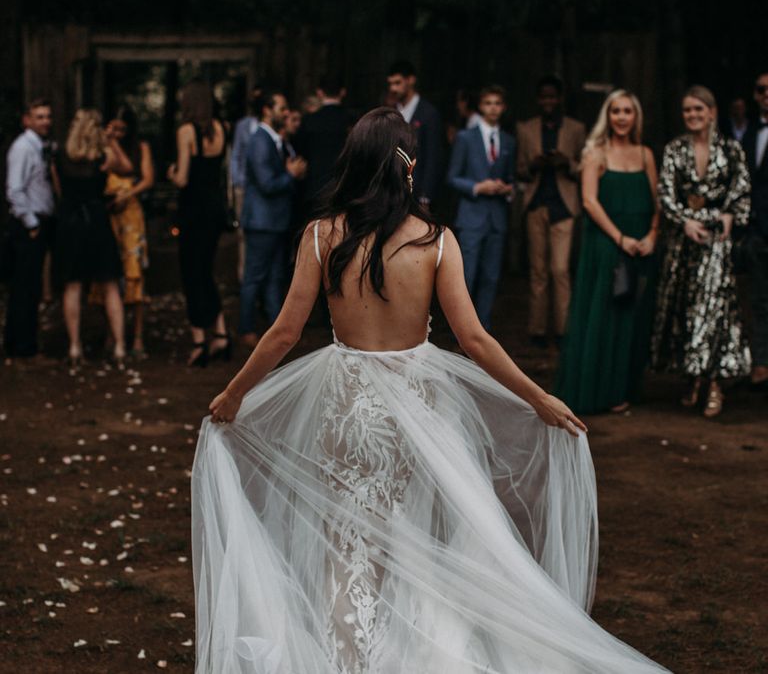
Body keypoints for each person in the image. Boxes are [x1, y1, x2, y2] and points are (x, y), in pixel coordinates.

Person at [192, 107, 669, 674]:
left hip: (347, 407)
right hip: (418, 406)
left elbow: (284, 333)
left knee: (346, 545)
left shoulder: (323, 235)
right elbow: (475, 339)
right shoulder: (435, 241)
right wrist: (538, 397)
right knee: (415, 540)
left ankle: (349, 661)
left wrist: (235, 393)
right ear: (409, 167)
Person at [555, 90, 659, 414]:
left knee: (634, 318)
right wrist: (620, 238)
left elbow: (659, 203)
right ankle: (601, 390)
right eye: (616, 111)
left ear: (636, 116)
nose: (622, 117)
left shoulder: (645, 155)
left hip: (642, 246)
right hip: (606, 244)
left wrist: (653, 235)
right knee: (605, 316)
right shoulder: (595, 154)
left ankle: (625, 387)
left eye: (628, 111)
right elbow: (589, 201)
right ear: (608, 116)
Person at [652, 85, 751, 417]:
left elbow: (741, 191)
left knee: (715, 310)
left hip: (716, 242)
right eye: (687, 110)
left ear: (712, 112)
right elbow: (665, 194)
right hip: (683, 244)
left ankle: (715, 386)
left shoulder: (731, 149)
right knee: (686, 311)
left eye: (698, 109)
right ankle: (693, 377)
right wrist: (683, 222)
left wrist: (727, 215)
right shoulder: (674, 149)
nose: (692, 115)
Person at [54, 109, 133, 369]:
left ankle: (74, 347)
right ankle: (120, 346)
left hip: (70, 223)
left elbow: (58, 191)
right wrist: (110, 140)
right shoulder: (104, 156)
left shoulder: (59, 156)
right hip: (97, 222)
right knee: (110, 285)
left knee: (73, 286)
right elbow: (128, 168)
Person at [517, 76, 587, 348]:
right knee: (538, 271)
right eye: (543, 97)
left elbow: (584, 167)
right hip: (536, 204)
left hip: (564, 206)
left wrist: (566, 162)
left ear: (559, 99)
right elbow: (519, 169)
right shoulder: (526, 129)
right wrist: (533, 165)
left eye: (552, 97)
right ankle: (537, 330)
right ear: (538, 100)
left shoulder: (576, 129)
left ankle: (563, 330)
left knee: (560, 270)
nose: (548, 101)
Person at [168, 79, 231, 367]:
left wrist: (171, 173)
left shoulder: (186, 131)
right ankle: (220, 334)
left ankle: (199, 341)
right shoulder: (223, 128)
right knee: (205, 270)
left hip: (193, 210)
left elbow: (182, 178)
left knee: (191, 273)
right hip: (215, 208)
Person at [239, 90, 307, 348]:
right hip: (261, 222)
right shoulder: (259, 140)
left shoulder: (277, 140)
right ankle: (246, 329)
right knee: (254, 277)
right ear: (267, 110)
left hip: (276, 221)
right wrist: (290, 174)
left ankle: (278, 331)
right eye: (282, 107)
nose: (287, 112)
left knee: (275, 276)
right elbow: (266, 183)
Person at [447, 84, 516, 330]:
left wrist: (507, 189)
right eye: (488, 103)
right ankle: (462, 332)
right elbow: (453, 177)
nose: (493, 108)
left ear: (504, 107)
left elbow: (511, 177)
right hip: (472, 216)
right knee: (467, 277)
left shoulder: (508, 141)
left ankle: (482, 331)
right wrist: (477, 187)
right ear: (480, 106)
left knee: (491, 277)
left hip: (497, 217)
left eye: (497, 103)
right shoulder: (466, 138)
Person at [91, 104, 154, 357]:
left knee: (133, 273)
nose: (117, 133)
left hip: (130, 216)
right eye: (113, 128)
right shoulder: (100, 146)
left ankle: (137, 336)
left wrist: (129, 193)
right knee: (106, 275)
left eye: (122, 129)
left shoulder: (141, 148)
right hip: (108, 216)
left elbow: (146, 177)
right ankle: (112, 331)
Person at [3, 99, 55, 362]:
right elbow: (14, 189)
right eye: (39, 116)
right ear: (27, 120)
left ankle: (18, 342)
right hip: (27, 226)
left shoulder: (42, 147)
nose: (45, 121)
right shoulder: (23, 148)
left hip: (38, 222)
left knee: (29, 287)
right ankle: (23, 346)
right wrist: (31, 223)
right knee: (25, 288)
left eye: (47, 116)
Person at [741, 72, 768, 387]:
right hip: (758, 230)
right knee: (759, 299)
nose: (766, 94)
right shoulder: (748, 134)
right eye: (762, 89)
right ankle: (761, 362)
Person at [293, 77, 351, 217]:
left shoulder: (309, 121)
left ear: (319, 93)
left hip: (314, 189)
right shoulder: (351, 120)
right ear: (343, 92)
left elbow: (300, 152)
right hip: (344, 188)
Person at [387, 60, 442, 206]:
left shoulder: (428, 113)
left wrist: (426, 195)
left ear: (410, 80)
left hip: (417, 191)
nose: (393, 88)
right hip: (391, 190)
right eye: (391, 83)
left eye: (398, 83)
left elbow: (432, 156)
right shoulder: (390, 111)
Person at [230, 84, 263, 281]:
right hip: (245, 188)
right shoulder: (243, 126)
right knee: (243, 234)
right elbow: (236, 155)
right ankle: (244, 277)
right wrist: (238, 182)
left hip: (264, 189)